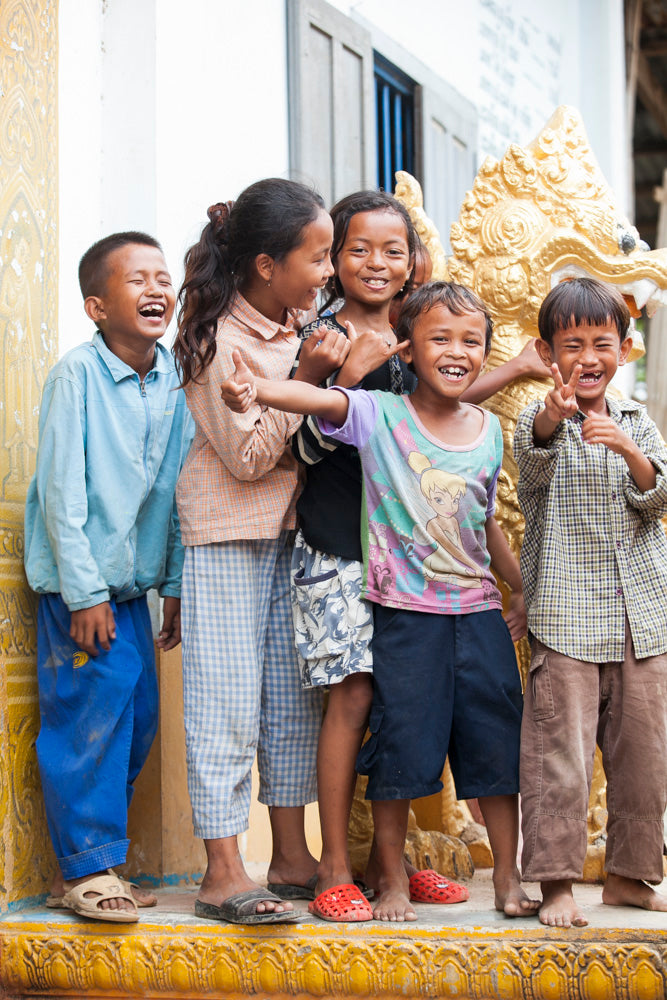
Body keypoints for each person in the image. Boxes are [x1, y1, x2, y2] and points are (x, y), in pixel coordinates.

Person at [221, 281, 540, 922]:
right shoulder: (381, 415)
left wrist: (521, 590)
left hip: (476, 614)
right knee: (400, 752)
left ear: (485, 351)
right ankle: (391, 879)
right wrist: (257, 390)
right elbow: (317, 397)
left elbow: (483, 523)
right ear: (410, 350)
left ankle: (508, 875)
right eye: (439, 339)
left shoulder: (488, 429)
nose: (456, 352)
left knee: (494, 750)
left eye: (470, 341)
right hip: (405, 615)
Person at [172, 178, 351, 925]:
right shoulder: (219, 339)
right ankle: (221, 869)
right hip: (225, 535)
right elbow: (246, 459)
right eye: (318, 257)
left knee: (290, 698)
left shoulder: (294, 327)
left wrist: (307, 371)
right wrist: (306, 380)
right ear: (266, 265)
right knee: (224, 703)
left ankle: (289, 856)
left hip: (289, 534)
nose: (329, 271)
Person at [24, 232, 193, 923]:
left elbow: (183, 486)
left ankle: (103, 861)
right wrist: (83, 593)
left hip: (134, 593)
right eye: (136, 280)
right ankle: (87, 869)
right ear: (97, 306)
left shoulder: (178, 378)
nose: (157, 289)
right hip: (81, 595)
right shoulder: (76, 377)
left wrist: (175, 582)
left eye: (163, 277)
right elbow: (61, 492)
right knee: (86, 721)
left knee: (135, 721)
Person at [513, 276, 667, 928]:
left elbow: (656, 496)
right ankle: (553, 883)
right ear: (550, 356)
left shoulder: (637, 419)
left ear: (623, 350)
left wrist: (627, 447)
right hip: (564, 618)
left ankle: (631, 876)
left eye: (599, 343)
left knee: (643, 754)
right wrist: (558, 414)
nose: (586, 357)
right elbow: (535, 454)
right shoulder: (536, 416)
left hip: (642, 619)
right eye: (570, 345)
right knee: (560, 758)